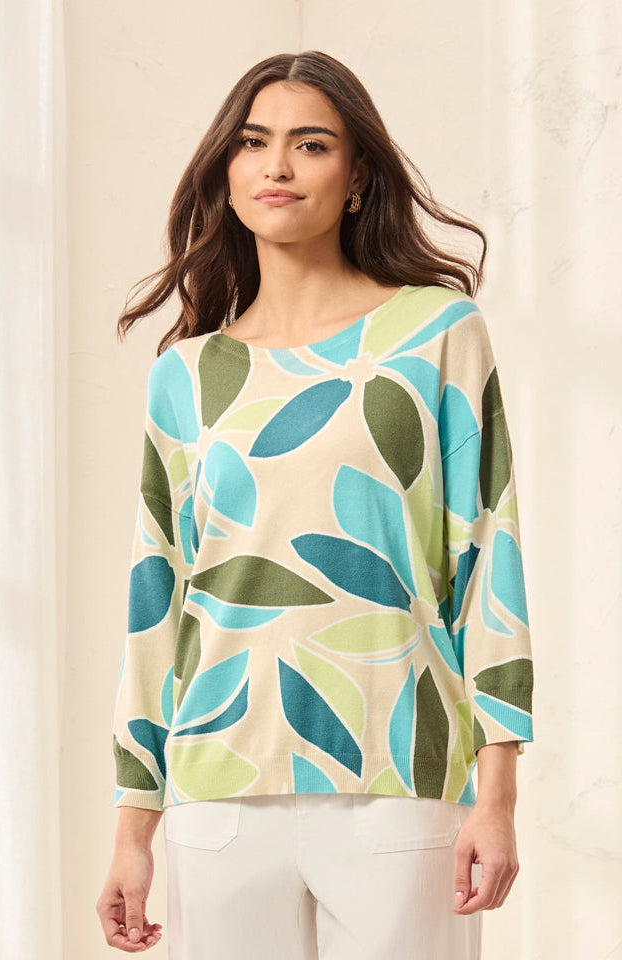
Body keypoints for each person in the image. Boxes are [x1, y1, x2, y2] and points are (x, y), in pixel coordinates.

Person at [96, 50, 534, 959]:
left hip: (397, 781)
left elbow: (490, 558)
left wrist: (497, 795)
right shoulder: (187, 375)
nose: (277, 167)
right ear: (227, 171)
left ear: (358, 175)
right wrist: (133, 829)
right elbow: (157, 600)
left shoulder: (437, 334)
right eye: (253, 142)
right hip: (215, 796)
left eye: (311, 144)